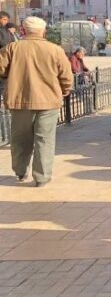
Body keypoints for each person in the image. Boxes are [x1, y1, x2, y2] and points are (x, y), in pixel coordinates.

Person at [0, 17, 73, 187]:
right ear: (43, 31)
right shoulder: (55, 50)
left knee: (20, 138)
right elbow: (66, 75)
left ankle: (20, 171)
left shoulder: (12, 48)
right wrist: (65, 89)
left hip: (20, 101)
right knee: (45, 139)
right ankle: (41, 177)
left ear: (23, 30)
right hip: (48, 101)